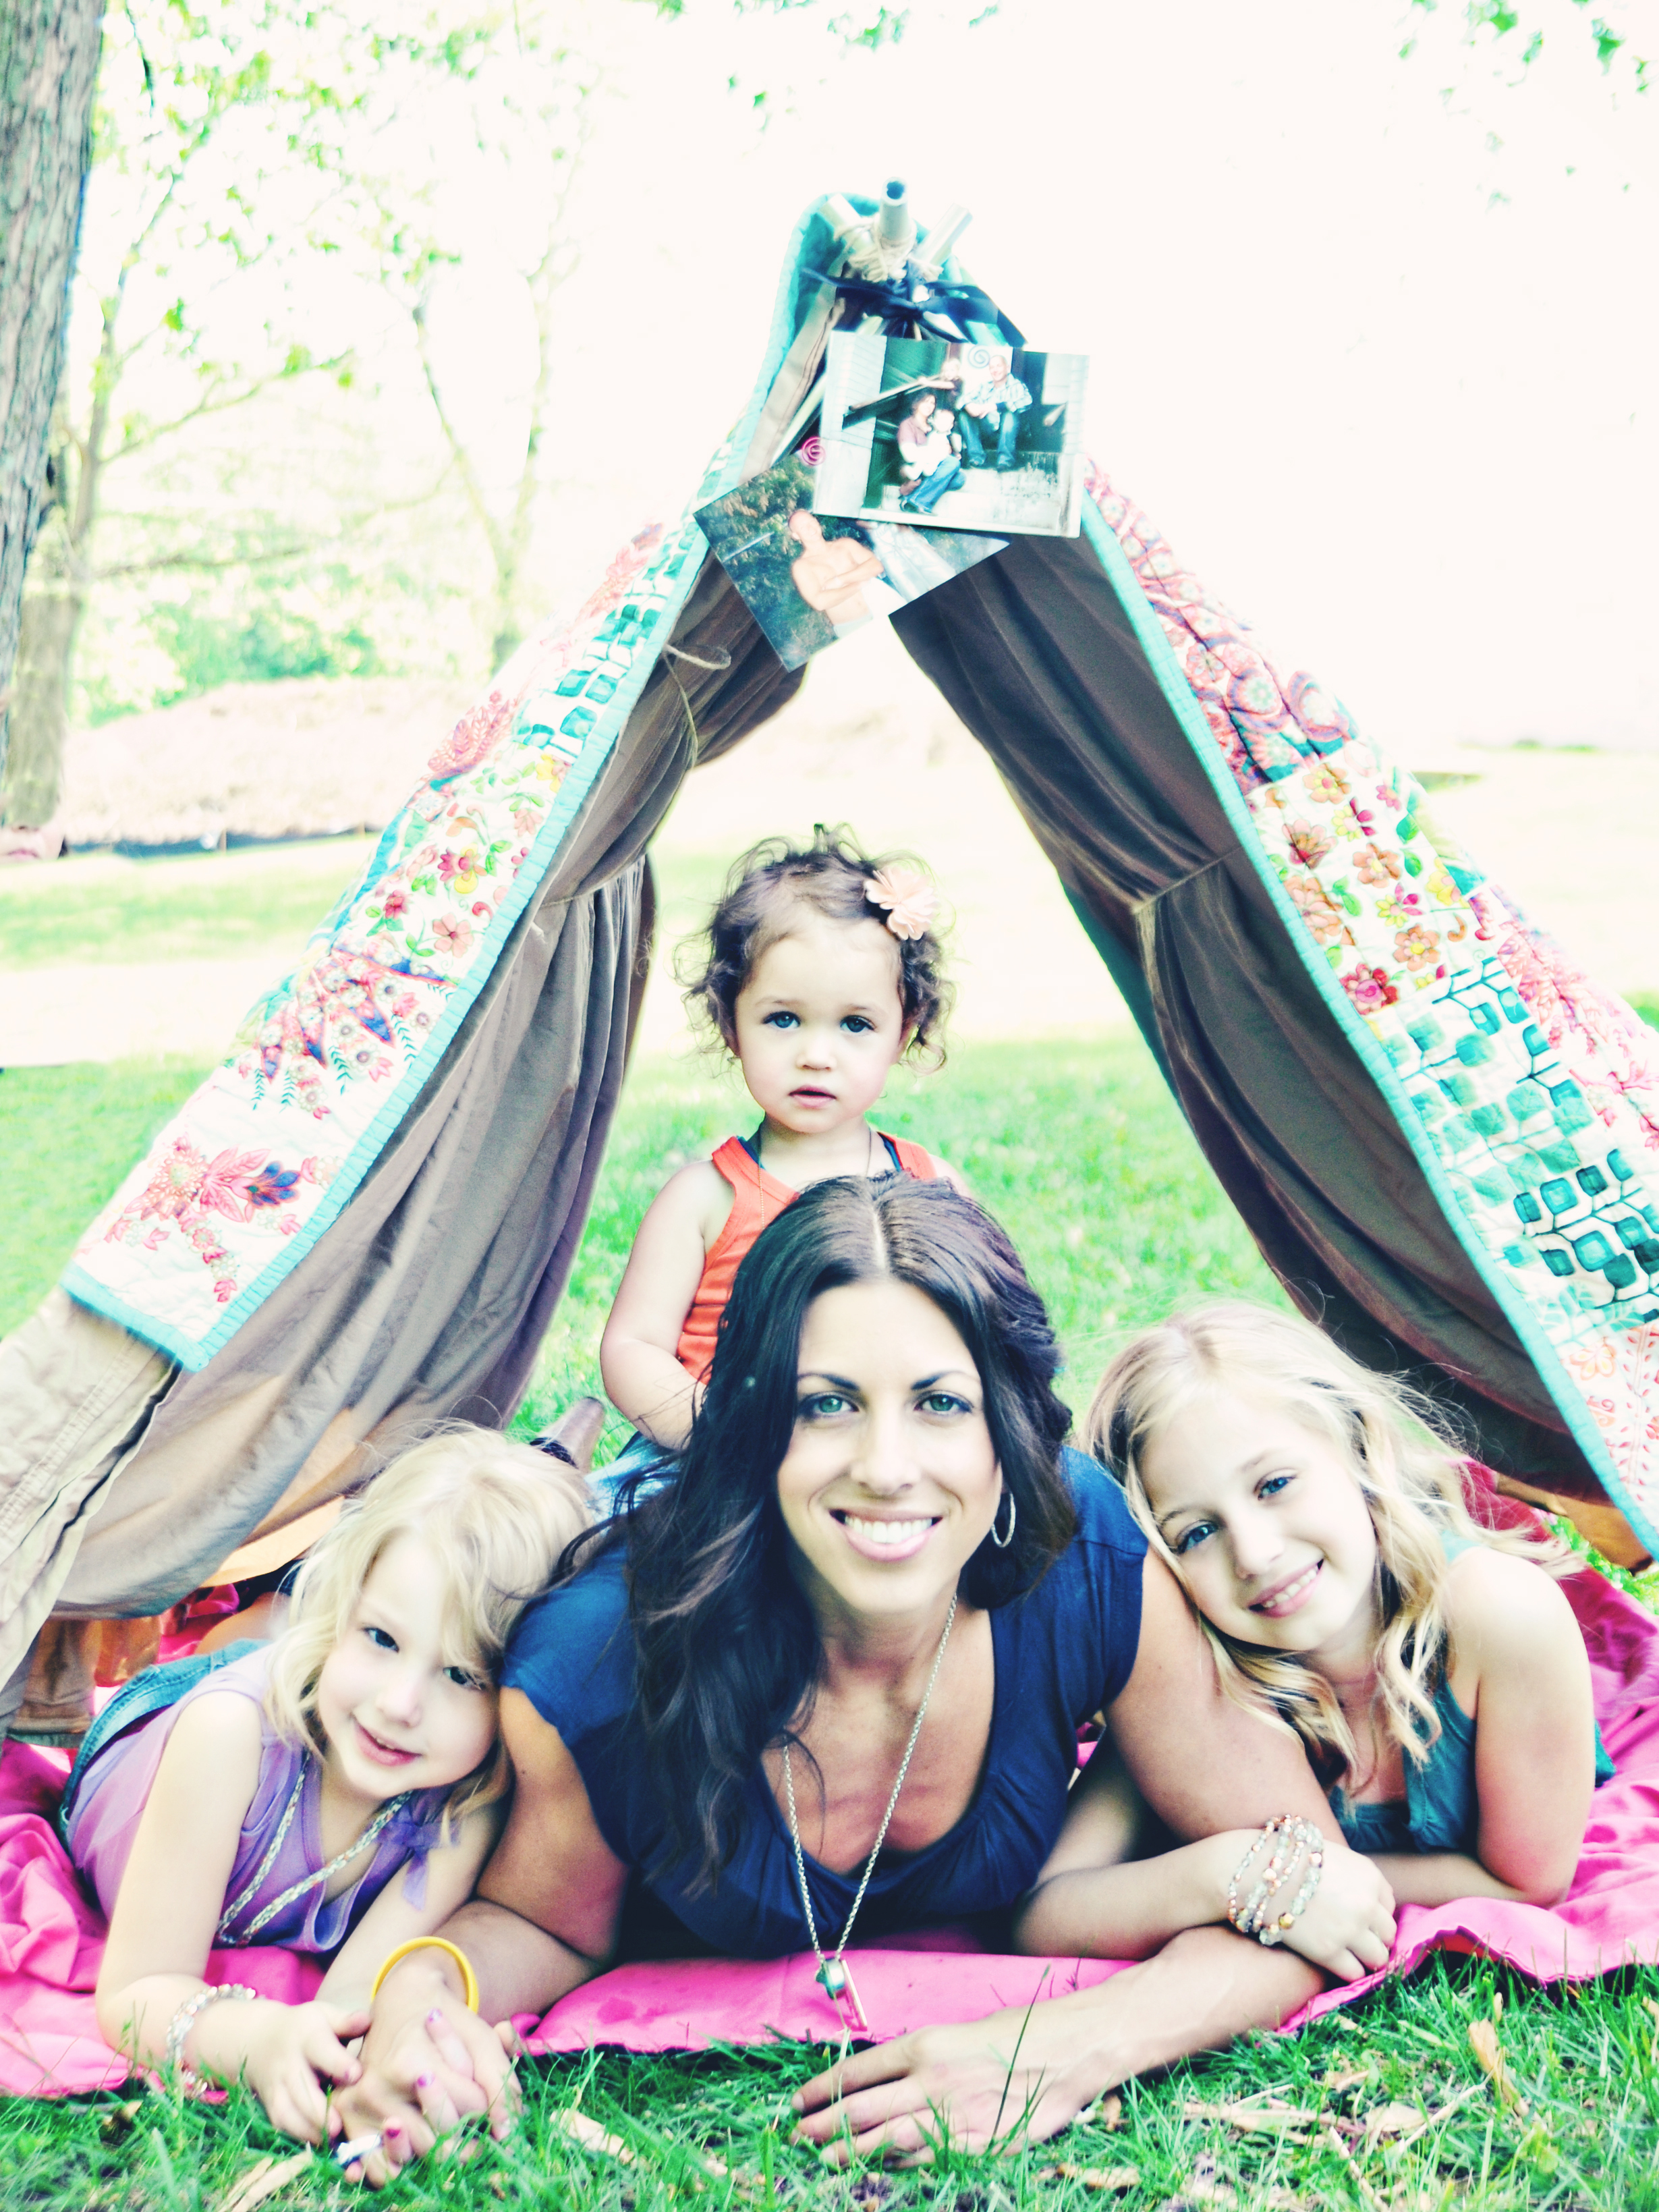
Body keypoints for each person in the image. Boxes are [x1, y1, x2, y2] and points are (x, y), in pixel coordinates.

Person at [335, 1182, 1395, 2178]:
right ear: (752, 1429)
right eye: (827, 1404)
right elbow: (543, 1923)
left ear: (1006, 1425)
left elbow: (1316, 1887)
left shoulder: (1079, 1557)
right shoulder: (601, 1659)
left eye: (939, 1403)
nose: (886, 1466)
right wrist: (421, 2006)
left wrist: (1059, 2048)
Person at [62, 1427, 587, 2149]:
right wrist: (255, 2038)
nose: (400, 1703)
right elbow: (134, 1993)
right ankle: (262, 1629)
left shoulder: (466, 1799)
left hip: (313, 1695)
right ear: (345, 1604)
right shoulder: (225, 1738)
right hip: (153, 1733)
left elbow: (353, 2003)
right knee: (235, 1662)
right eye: (381, 1636)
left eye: (461, 1674)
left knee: (292, 1659)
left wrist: (375, 2079)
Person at [1084, 1302, 1604, 1912]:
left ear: (1357, 1445)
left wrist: (1281, 1879)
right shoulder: (1188, 1677)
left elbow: (1527, 1883)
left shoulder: (1504, 1616)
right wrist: (1223, 1878)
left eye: (1274, 1484)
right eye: (1195, 1532)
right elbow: (1043, 1907)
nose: (1253, 1553)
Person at [600, 829, 962, 1454]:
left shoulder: (933, 1185)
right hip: (714, 1455)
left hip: (884, 1453)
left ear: (902, 1034)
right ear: (731, 1024)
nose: (816, 1054)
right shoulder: (703, 1198)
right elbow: (634, 1345)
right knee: (600, 1519)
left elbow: (982, 1333)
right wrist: (718, 1435)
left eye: (855, 1024)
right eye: (783, 1018)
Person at [895, 393, 966, 516]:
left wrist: (949, 450)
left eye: (932, 403)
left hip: (933, 466)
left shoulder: (935, 425)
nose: (929, 406)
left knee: (959, 479)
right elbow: (909, 456)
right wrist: (937, 451)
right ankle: (918, 501)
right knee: (953, 463)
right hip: (915, 468)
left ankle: (914, 497)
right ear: (916, 404)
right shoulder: (908, 425)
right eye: (925, 401)